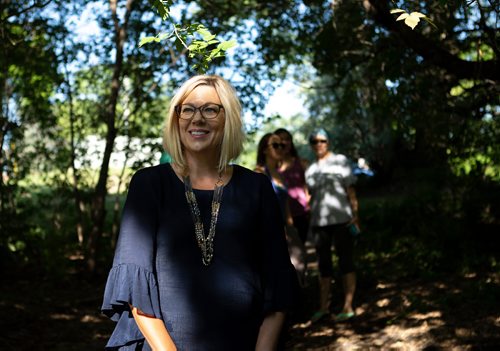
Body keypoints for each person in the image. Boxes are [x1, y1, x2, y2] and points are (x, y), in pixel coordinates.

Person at [101, 75, 298, 350]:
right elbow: (137, 290)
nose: (197, 119)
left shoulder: (257, 187)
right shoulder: (149, 184)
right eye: (188, 109)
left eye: (210, 109)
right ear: (176, 118)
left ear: (227, 119)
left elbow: (278, 286)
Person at [305, 128, 359, 323]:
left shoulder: (340, 161)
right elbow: (310, 197)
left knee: (346, 261)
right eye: (315, 141)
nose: (319, 144)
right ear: (311, 145)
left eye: (322, 140)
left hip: (342, 220)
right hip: (320, 223)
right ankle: (323, 307)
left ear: (328, 142)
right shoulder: (310, 169)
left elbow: (350, 189)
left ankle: (348, 306)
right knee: (323, 266)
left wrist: (355, 215)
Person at [255, 133, 307, 287]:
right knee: (277, 272)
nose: (280, 148)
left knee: (299, 264)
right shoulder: (259, 173)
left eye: (282, 145)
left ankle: (293, 306)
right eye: (275, 145)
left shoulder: (280, 174)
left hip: (287, 228)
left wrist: (291, 227)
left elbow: (285, 204)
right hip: (269, 231)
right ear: (264, 150)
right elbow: (257, 207)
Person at [274, 128, 310, 244]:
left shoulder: (301, 163)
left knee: (301, 247)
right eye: (281, 140)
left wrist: (309, 204)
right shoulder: (272, 168)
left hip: (302, 213)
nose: (285, 142)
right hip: (281, 216)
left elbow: (307, 187)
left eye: (287, 139)